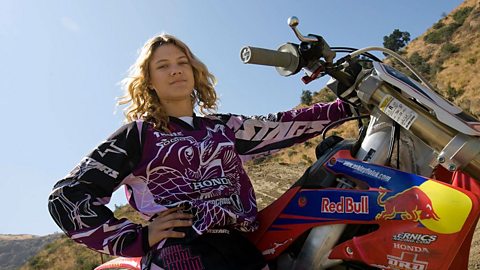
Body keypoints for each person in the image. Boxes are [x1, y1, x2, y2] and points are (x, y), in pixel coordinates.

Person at [48, 34, 352, 270]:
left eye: (182, 62)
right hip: (181, 253)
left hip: (242, 249)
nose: (176, 70)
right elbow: (68, 196)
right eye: (163, 66)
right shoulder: (138, 134)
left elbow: (283, 125)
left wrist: (347, 105)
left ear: (194, 72)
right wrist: (137, 238)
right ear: (149, 82)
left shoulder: (223, 128)